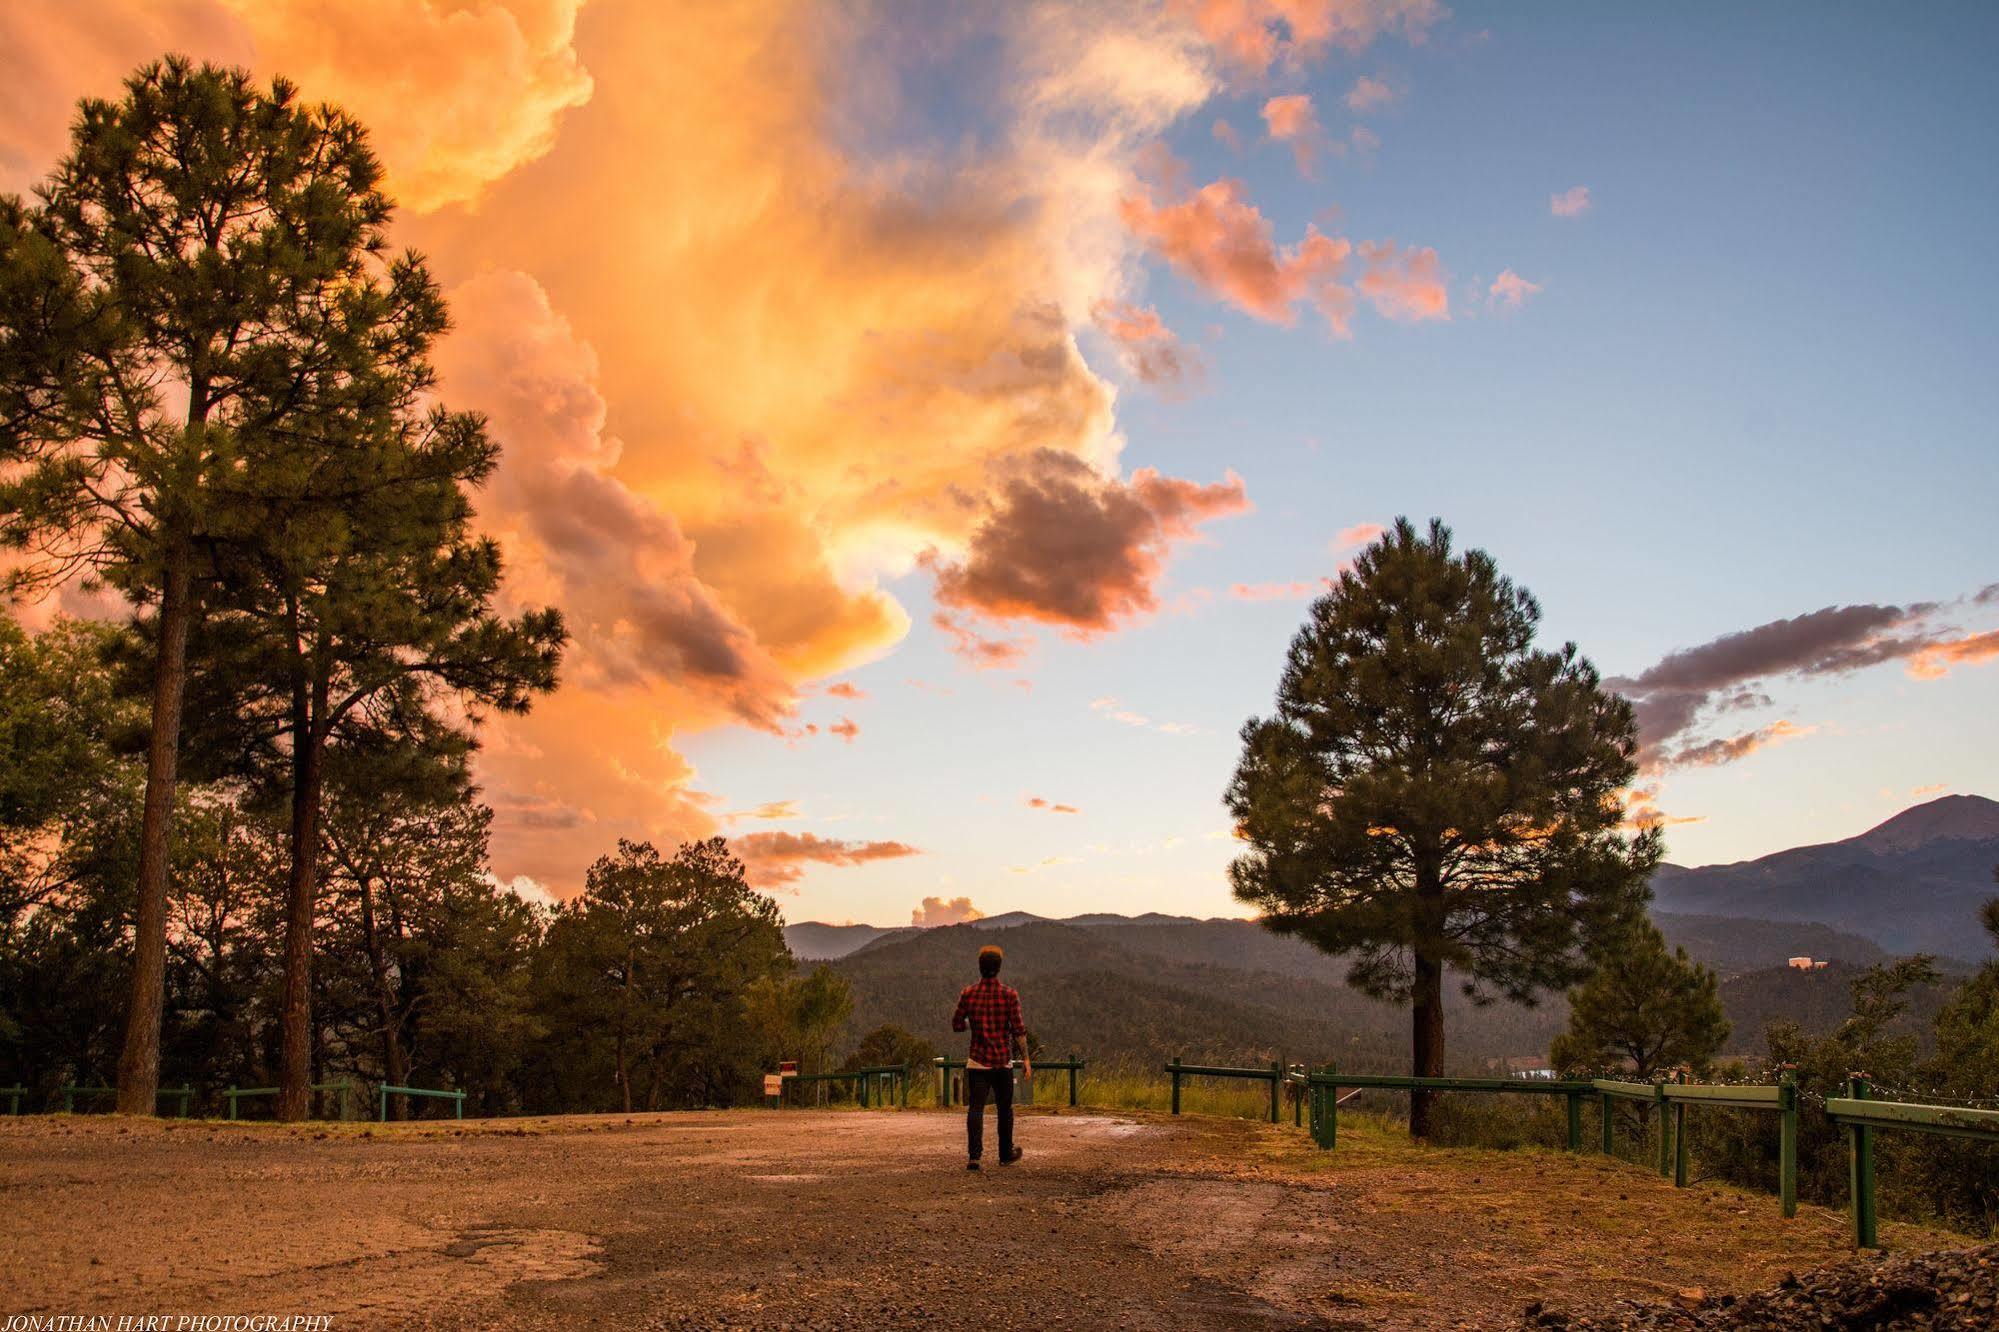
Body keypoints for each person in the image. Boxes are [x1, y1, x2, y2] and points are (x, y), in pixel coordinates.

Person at [951, 944, 1027, 1170]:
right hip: (1002, 1060)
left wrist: (972, 1023)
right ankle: (1005, 1154)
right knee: (1005, 1109)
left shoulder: (968, 994)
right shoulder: (1010, 995)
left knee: (976, 1108)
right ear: (999, 968)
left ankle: (974, 1156)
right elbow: (1018, 1030)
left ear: (980, 967)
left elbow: (956, 1025)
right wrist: (1027, 1058)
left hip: (977, 1061)